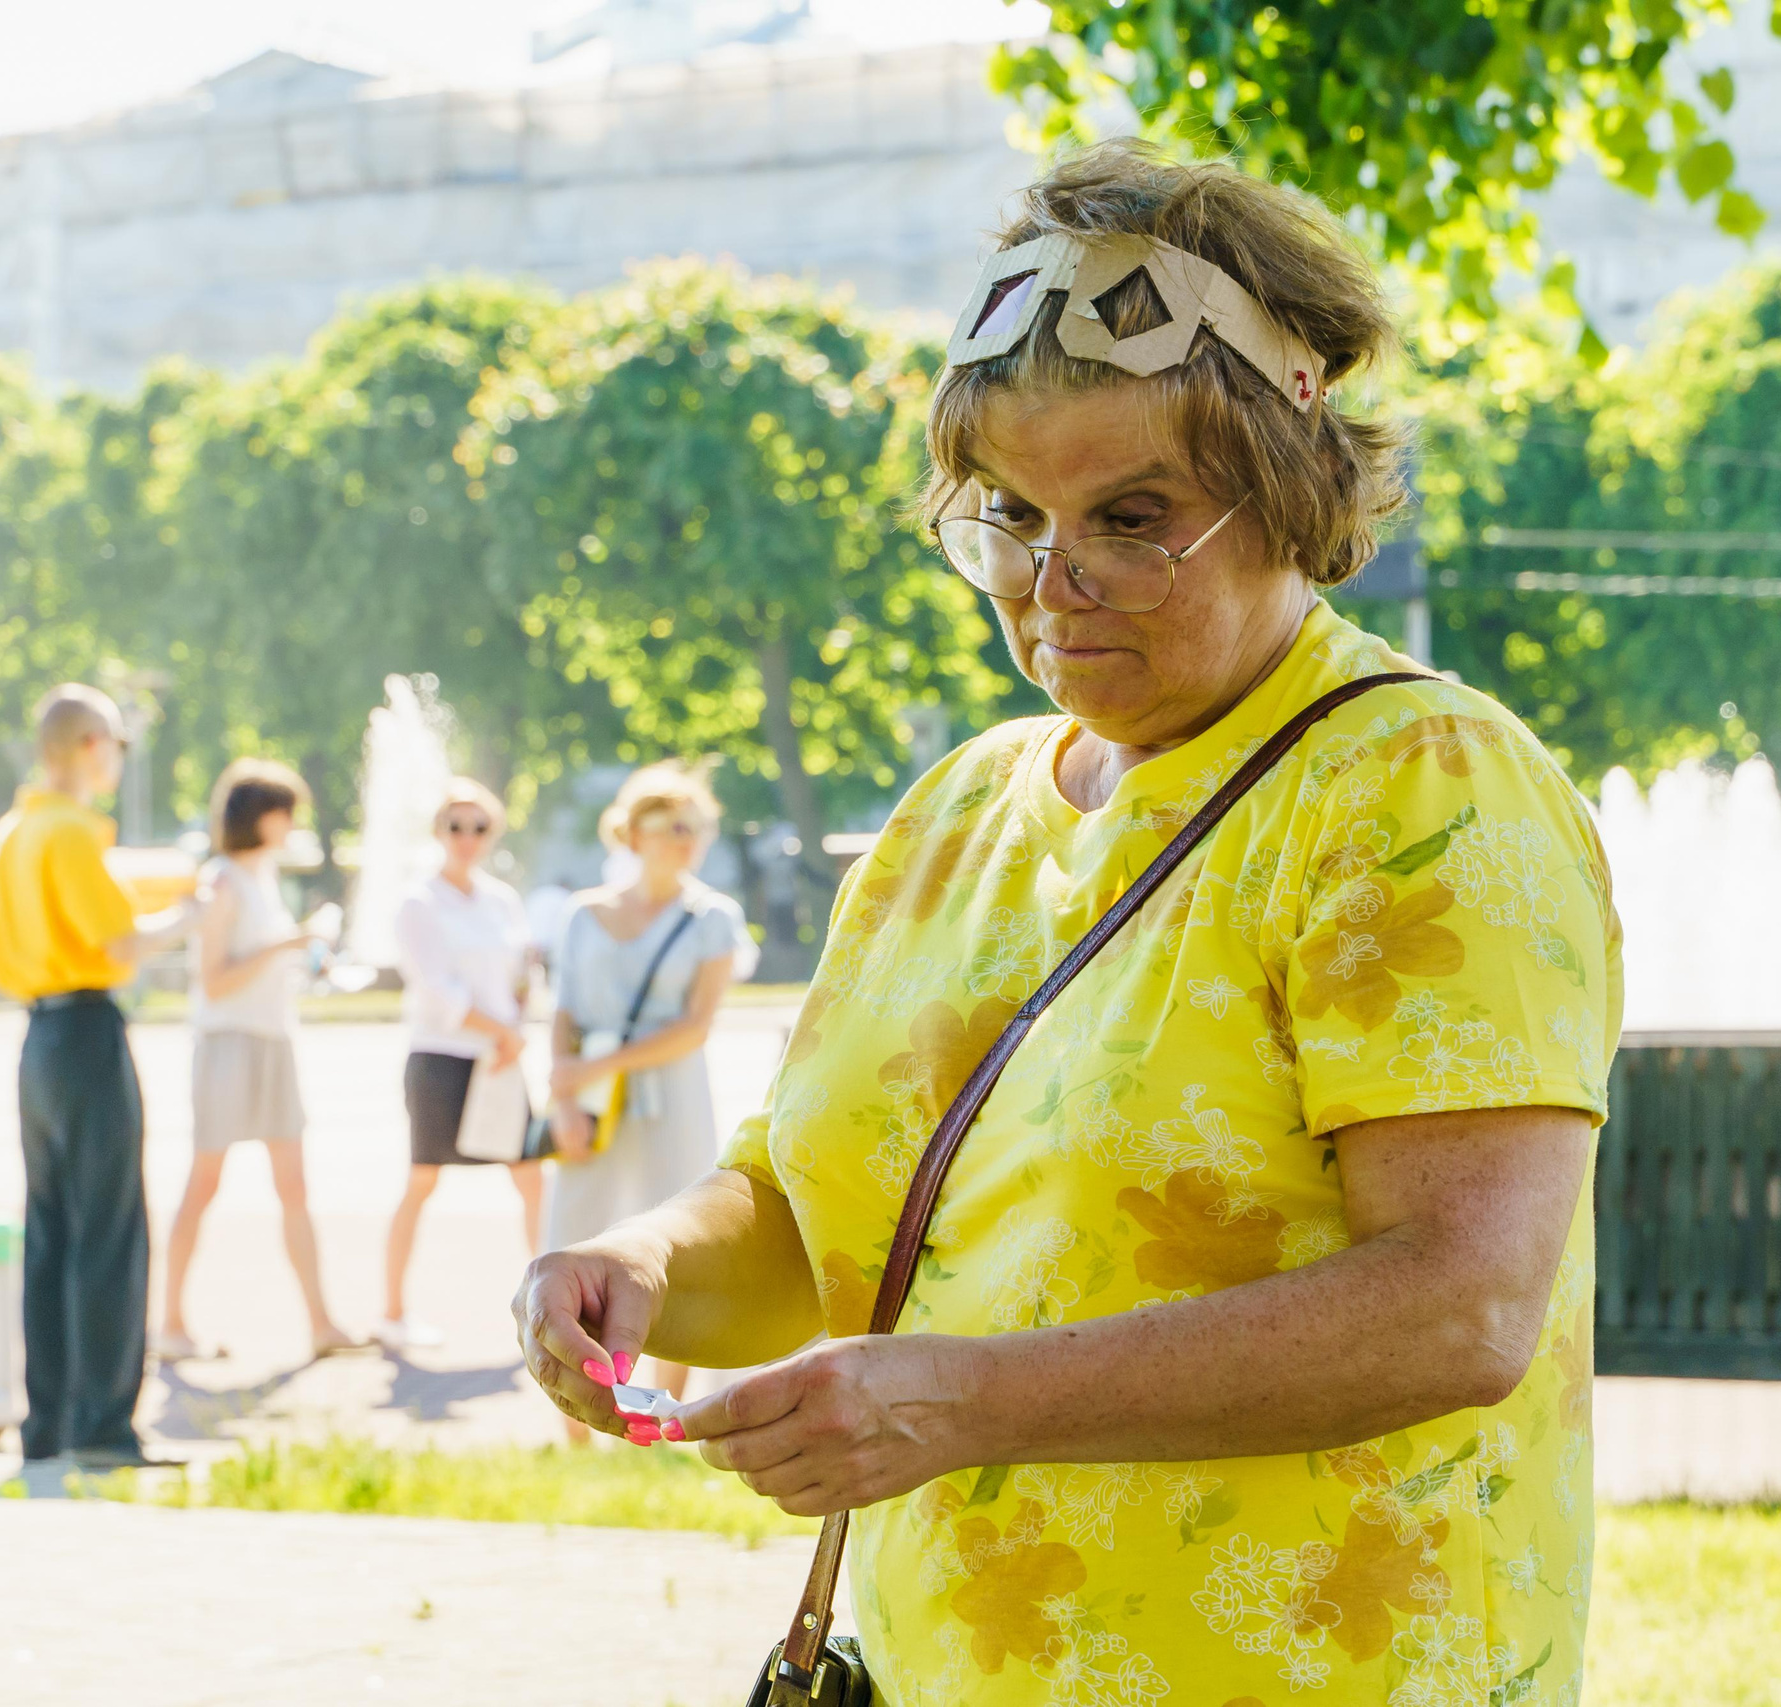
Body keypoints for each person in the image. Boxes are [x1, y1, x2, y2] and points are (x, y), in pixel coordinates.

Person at [516, 142, 1625, 1704]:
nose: (1054, 584)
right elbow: (823, 1204)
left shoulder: (1420, 781)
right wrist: (631, 1264)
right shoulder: (955, 808)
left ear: (1288, 485)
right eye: (1009, 516)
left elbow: (1461, 1303)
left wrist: (969, 1399)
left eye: (1132, 513)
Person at [0, 683, 197, 1467]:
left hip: (37, 1036)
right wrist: (194, 916)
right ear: (91, 743)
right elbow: (122, 940)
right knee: (108, 1229)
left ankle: (50, 1423)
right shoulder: (67, 832)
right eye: (116, 743)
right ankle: (103, 1426)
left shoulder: (8, 833)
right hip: (89, 1029)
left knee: (53, 1230)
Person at [544, 763, 755, 1428]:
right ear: (634, 833)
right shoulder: (583, 914)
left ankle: (661, 1416)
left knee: (678, 1241)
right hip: (594, 1100)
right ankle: (574, 1422)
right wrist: (563, 1097)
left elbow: (694, 1027)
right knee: (575, 1238)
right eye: (674, 826)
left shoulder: (713, 917)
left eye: (697, 827)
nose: (689, 839)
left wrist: (593, 1066)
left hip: (673, 1093)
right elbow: (565, 1012)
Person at [156, 759, 357, 1363]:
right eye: (284, 810)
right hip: (227, 1045)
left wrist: (304, 955)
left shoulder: (262, 877)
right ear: (260, 815)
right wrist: (289, 942)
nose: (292, 822)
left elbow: (262, 967)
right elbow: (214, 981)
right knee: (204, 1182)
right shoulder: (220, 880)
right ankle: (169, 1324)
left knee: (294, 1184)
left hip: (272, 1041)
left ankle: (322, 1323)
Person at [381, 779, 540, 1352]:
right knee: (422, 1181)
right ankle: (393, 1311)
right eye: (456, 826)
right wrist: (501, 1031)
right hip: (443, 1058)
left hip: (500, 1060)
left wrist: (517, 1025)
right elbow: (437, 988)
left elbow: (523, 971)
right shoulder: (418, 901)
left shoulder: (502, 899)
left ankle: (547, 1307)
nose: (467, 838)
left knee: (531, 1178)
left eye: (479, 827)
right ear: (438, 831)